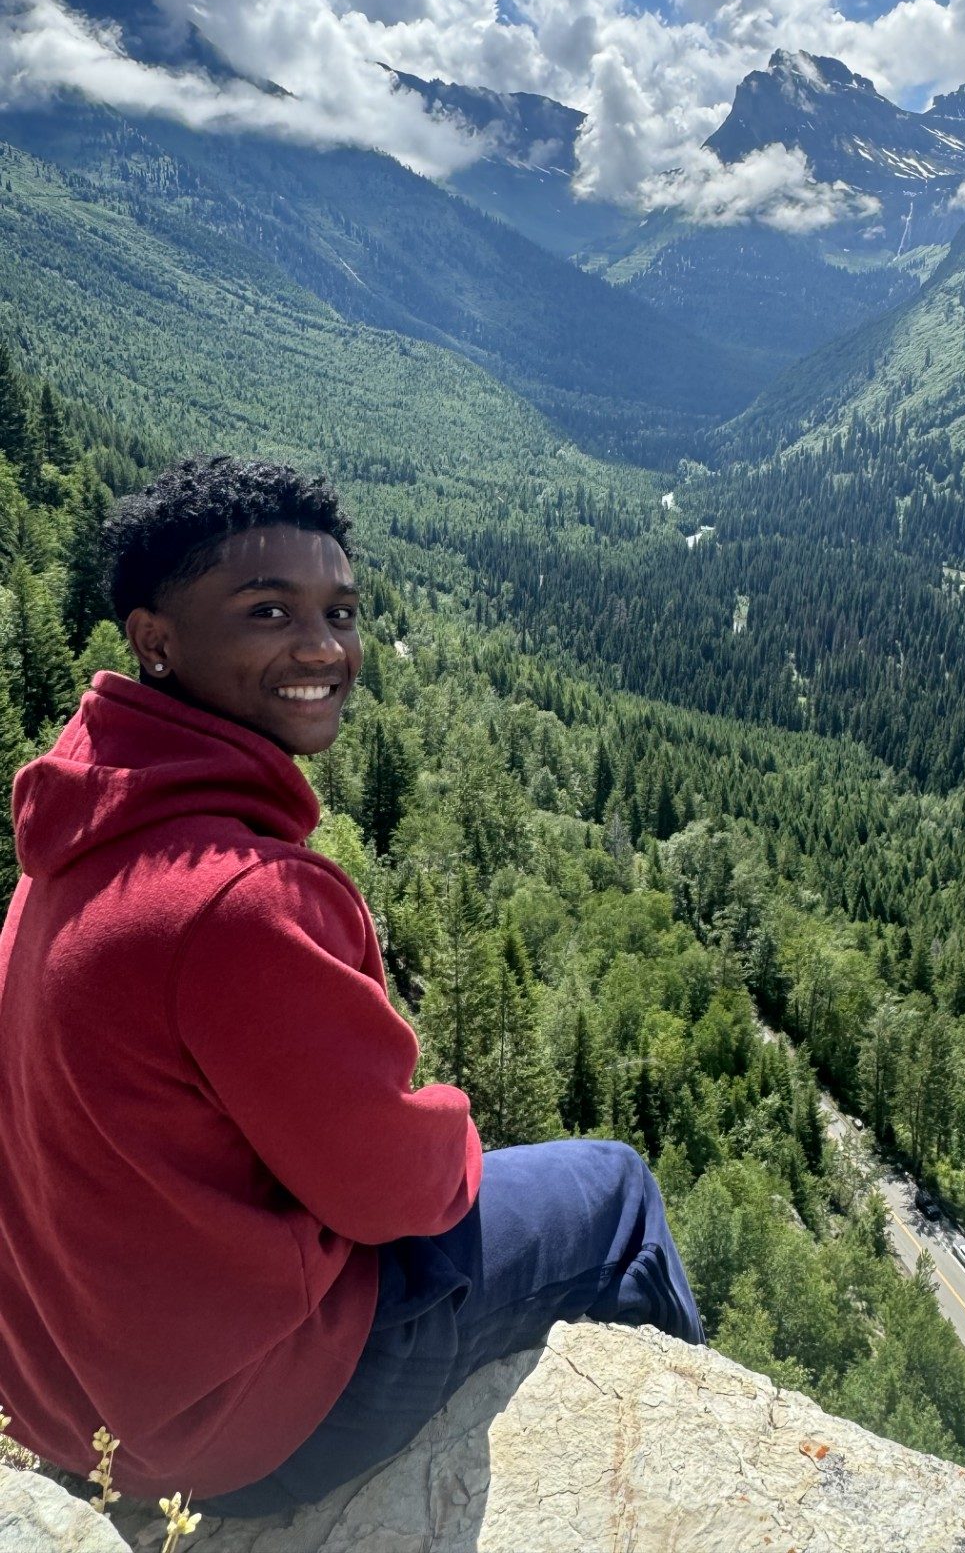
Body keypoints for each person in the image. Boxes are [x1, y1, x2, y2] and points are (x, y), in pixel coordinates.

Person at [0, 457, 703, 1519]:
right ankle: (671, 1483)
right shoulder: (235, 901)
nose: (324, 646)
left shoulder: (75, 841)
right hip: (238, 1429)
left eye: (340, 611)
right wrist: (446, 1123)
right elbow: (405, 1194)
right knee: (615, 1191)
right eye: (269, 610)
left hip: (71, 1394)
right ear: (156, 639)